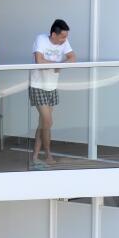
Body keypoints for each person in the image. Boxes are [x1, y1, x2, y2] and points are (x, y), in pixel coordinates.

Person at [30, 19, 75, 168]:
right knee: (48, 122)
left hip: (52, 86)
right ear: (53, 35)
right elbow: (38, 60)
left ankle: (35, 156)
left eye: (66, 37)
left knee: (43, 123)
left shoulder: (64, 42)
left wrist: (61, 65)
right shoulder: (41, 39)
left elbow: (73, 58)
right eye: (62, 37)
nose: (64, 40)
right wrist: (57, 65)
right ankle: (48, 154)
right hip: (38, 85)